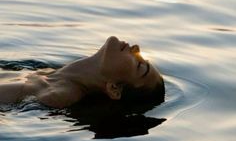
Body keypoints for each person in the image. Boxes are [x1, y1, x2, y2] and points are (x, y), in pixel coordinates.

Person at [0, 36, 165, 108]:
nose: (137, 50)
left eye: (140, 65)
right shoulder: (48, 73)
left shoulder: (58, 95)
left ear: (114, 88)